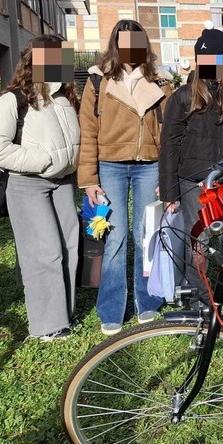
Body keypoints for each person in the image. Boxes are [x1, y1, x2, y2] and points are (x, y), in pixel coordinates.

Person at [78, 20, 173, 335]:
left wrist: (167, 174)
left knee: (146, 234)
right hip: (111, 166)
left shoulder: (161, 81)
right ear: (116, 44)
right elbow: (88, 132)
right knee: (114, 237)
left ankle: (147, 303)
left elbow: (171, 133)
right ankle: (111, 309)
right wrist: (90, 179)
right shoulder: (98, 80)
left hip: (150, 165)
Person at [159, 25, 223, 302]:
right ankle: (200, 300)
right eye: (203, 59)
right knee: (199, 242)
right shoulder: (182, 96)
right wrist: (170, 192)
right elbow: (170, 145)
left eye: (215, 59)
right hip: (194, 183)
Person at [0, 35, 81, 340]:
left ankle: (64, 313)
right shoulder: (13, 99)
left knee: (69, 249)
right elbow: (1, 148)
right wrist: (44, 159)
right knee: (44, 253)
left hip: (62, 183)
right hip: (27, 185)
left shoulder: (65, 97)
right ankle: (47, 327)